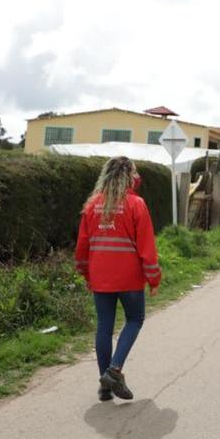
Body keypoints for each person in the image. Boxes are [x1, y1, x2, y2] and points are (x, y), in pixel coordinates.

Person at [75, 156, 162, 402]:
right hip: (129, 278)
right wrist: (153, 278)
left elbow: (82, 245)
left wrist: (85, 272)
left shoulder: (92, 206)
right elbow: (147, 247)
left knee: (104, 326)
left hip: (101, 276)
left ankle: (104, 387)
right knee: (135, 319)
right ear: (129, 177)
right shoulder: (136, 204)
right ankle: (114, 370)